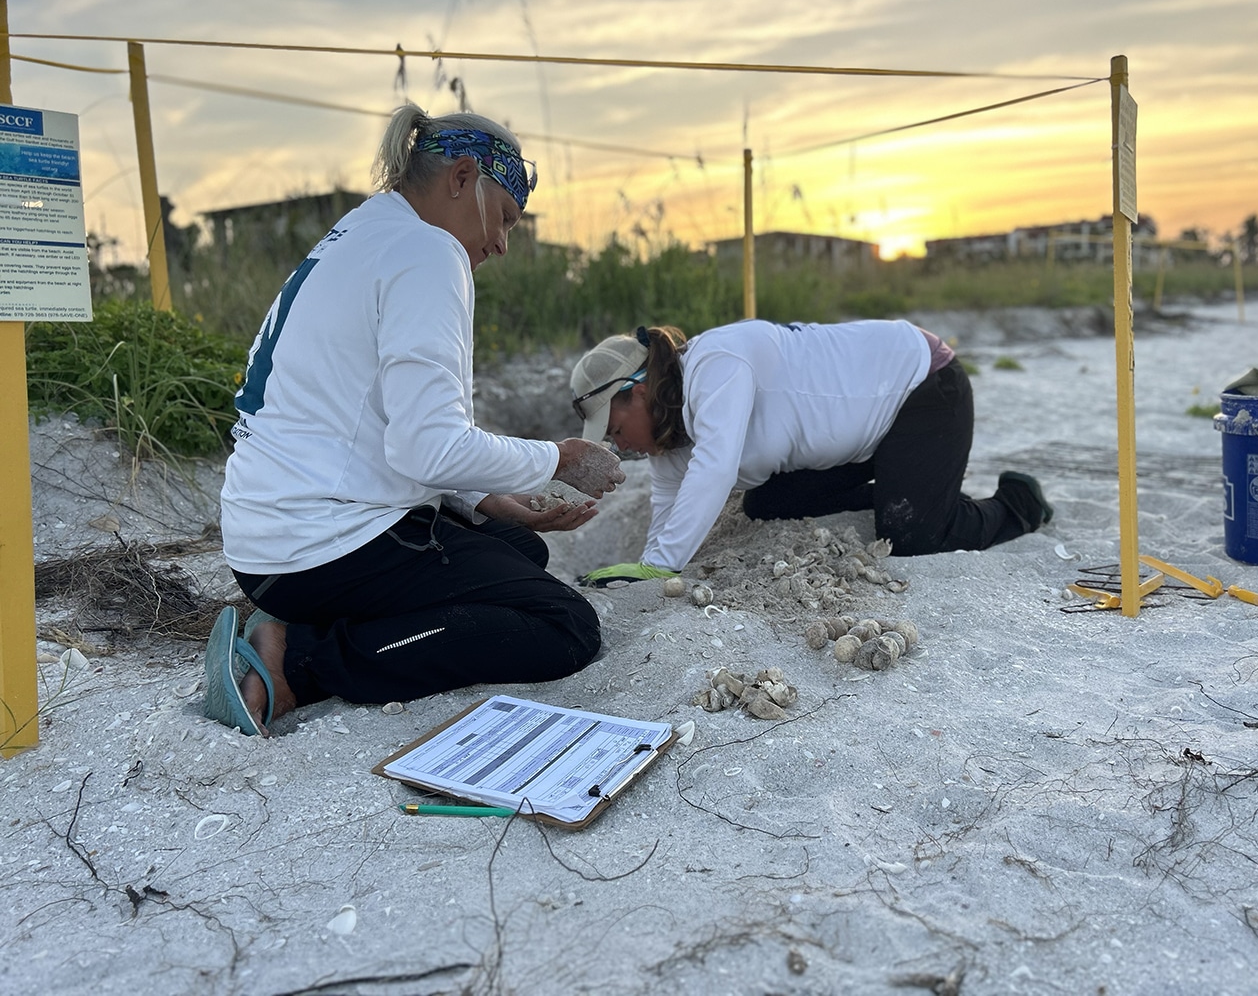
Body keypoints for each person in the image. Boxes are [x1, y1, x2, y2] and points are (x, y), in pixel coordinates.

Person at [206, 103, 625, 737]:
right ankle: (298, 662)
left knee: (522, 548)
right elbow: (429, 448)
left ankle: (300, 625)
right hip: (320, 544)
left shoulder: (361, 232)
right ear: (461, 178)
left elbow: (393, 427)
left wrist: (493, 500)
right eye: (505, 218)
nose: (503, 244)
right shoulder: (429, 251)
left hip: (265, 535)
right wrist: (559, 459)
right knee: (564, 627)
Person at [569, 319, 1051, 584]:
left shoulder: (715, 363)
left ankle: (1018, 503)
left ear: (637, 390)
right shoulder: (671, 435)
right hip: (861, 438)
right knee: (766, 503)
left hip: (919, 384)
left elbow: (715, 469)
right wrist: (648, 565)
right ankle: (911, 487)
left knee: (914, 536)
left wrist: (662, 565)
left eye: (613, 429)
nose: (618, 445)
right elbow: (669, 501)